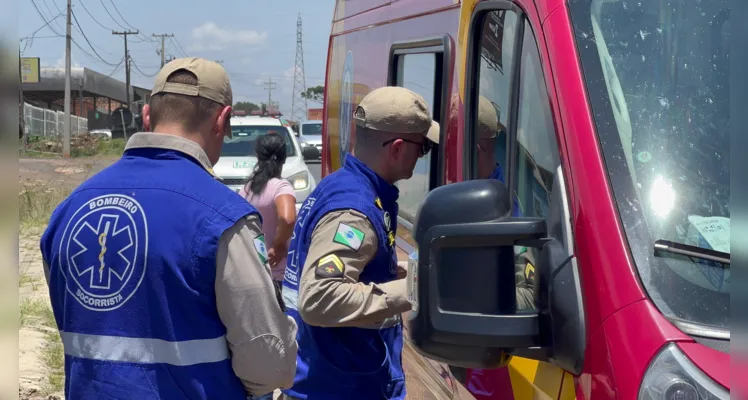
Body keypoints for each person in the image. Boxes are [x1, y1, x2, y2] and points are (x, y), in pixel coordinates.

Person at [39, 57, 297, 400]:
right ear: (221, 121)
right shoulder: (225, 218)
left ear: (147, 116)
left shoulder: (68, 211)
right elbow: (269, 366)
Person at [279, 86, 439, 400]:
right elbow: (319, 297)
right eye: (422, 148)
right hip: (340, 387)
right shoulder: (354, 210)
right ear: (396, 148)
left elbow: (359, 266)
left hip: (329, 379)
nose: (421, 157)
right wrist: (418, 287)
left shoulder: (342, 185)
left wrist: (416, 269)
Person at [239, 132, 297, 290]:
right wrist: (279, 245)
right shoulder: (280, 187)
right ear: (284, 158)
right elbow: (287, 219)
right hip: (279, 275)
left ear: (258, 157)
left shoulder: (246, 189)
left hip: (252, 272)